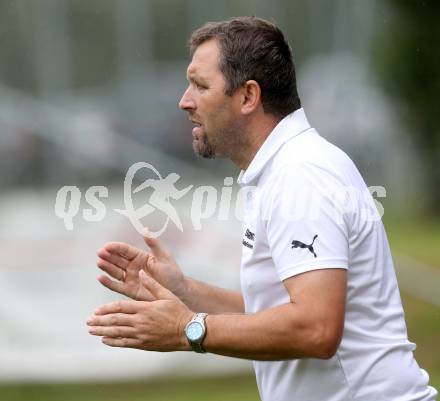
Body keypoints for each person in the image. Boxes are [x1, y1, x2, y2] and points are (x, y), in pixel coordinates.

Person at [87, 17, 437, 401]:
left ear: (248, 97)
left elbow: (316, 328)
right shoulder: (281, 169)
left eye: (200, 85)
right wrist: (184, 291)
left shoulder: (301, 173)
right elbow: (276, 312)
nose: (184, 101)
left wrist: (188, 329)